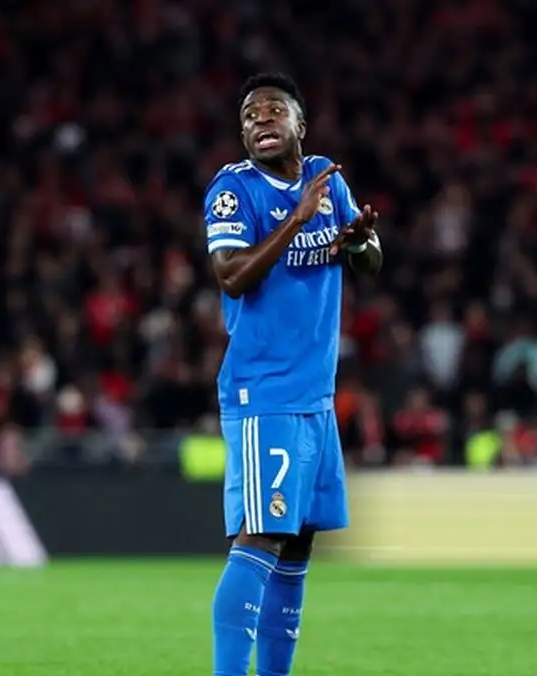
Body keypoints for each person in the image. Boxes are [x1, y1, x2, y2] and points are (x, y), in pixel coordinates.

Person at [203, 72, 382, 676]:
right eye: (249, 115)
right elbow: (231, 275)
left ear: (300, 123)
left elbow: (371, 261)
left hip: (315, 396)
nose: (260, 120)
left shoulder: (327, 178)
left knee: (298, 542)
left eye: (273, 110)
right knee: (260, 537)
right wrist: (297, 219)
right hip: (265, 391)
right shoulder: (233, 191)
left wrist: (357, 242)